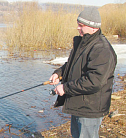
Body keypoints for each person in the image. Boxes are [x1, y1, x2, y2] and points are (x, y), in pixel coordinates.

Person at [49, 7, 117, 138]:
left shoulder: (102, 49)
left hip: (90, 108)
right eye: (78, 25)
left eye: (81, 26)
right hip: (78, 102)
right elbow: (72, 65)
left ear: (93, 27)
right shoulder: (83, 43)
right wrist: (58, 73)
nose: (77, 28)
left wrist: (65, 88)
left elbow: (94, 81)